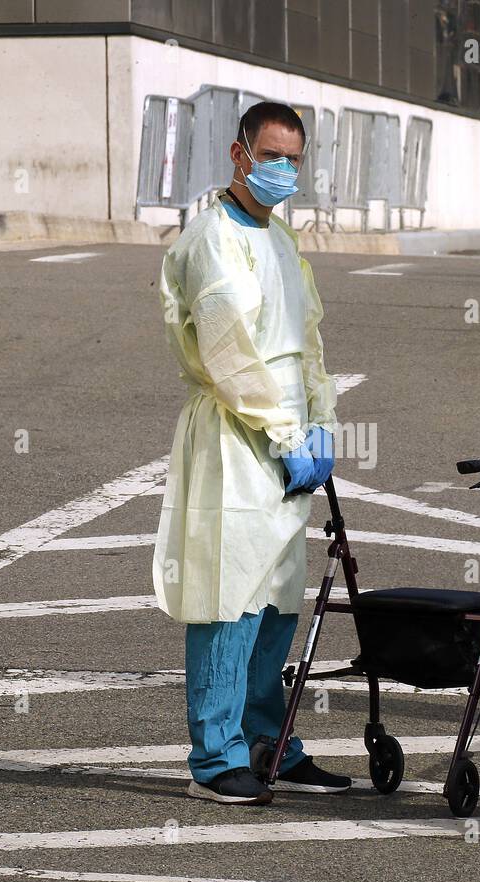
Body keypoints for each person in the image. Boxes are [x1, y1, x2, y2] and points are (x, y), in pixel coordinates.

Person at [153, 102, 352, 805]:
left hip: (288, 445)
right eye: (270, 155)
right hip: (238, 441)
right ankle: (216, 757)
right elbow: (229, 353)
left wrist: (322, 420)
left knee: (276, 599)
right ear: (238, 155)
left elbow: (308, 340)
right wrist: (285, 431)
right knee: (227, 593)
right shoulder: (214, 238)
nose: (282, 170)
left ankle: (269, 738)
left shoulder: (281, 241)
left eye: (293, 159)